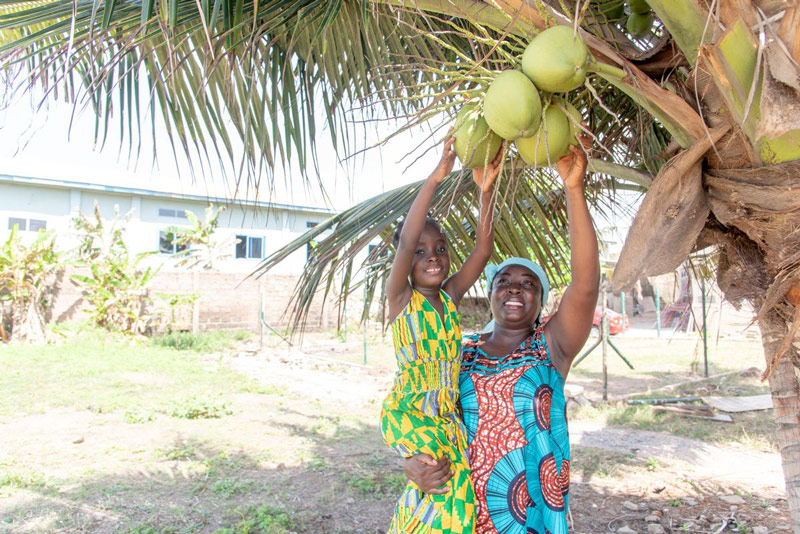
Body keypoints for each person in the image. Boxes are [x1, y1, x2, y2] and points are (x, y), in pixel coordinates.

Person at [402, 135, 599, 534]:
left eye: (528, 284)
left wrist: (574, 189)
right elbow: (425, 416)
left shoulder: (551, 345)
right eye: (504, 281)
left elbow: (585, 285)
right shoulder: (461, 352)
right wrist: (409, 463)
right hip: (456, 514)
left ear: (542, 302)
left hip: (527, 518)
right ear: (489, 295)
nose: (513, 288)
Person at [381, 136, 503, 534]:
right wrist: (435, 179)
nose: (432, 255)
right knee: (436, 488)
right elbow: (404, 248)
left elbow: (484, 248)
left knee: (452, 500)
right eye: (420, 251)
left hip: (448, 418)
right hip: (413, 414)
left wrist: (486, 190)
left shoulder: (449, 298)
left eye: (440, 247)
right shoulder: (401, 300)